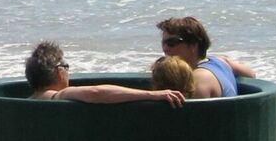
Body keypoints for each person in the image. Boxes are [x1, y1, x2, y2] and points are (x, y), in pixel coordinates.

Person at [26, 41, 185, 107]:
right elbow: (96, 93)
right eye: (66, 67)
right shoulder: (58, 96)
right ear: (59, 73)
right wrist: (152, 95)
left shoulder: (30, 101)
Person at [156, 16, 255, 98]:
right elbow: (251, 74)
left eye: (171, 42)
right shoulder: (221, 61)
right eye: (163, 43)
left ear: (193, 45)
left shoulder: (199, 79)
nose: (165, 48)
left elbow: (192, 116)